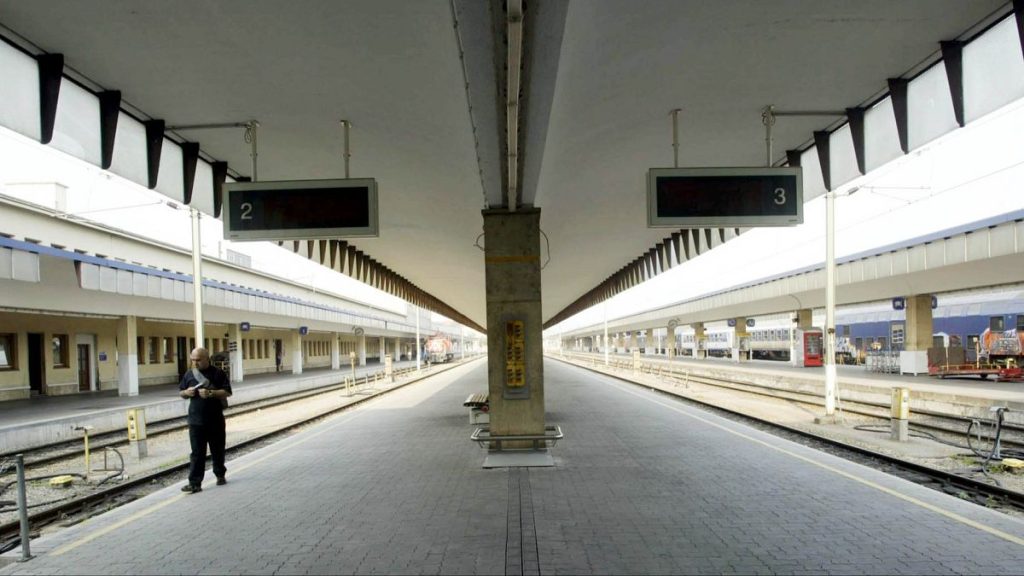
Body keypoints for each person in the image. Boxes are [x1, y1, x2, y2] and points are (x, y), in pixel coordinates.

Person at [178, 346, 233, 493]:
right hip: (195, 421)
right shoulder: (189, 374)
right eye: (193, 360)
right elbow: (181, 392)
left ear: (206, 359)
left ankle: (220, 474)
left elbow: (227, 392)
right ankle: (195, 483)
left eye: (198, 360)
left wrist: (210, 393)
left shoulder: (218, 373)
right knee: (197, 452)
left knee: (217, 449)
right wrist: (186, 392)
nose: (195, 363)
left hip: (215, 419)